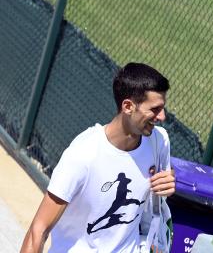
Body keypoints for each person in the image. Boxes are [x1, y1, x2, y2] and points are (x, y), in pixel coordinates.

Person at [20, 62, 176, 252]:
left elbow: (156, 201)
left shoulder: (159, 141)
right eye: (155, 109)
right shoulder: (83, 155)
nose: (162, 117)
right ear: (128, 106)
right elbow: (38, 230)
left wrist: (168, 183)